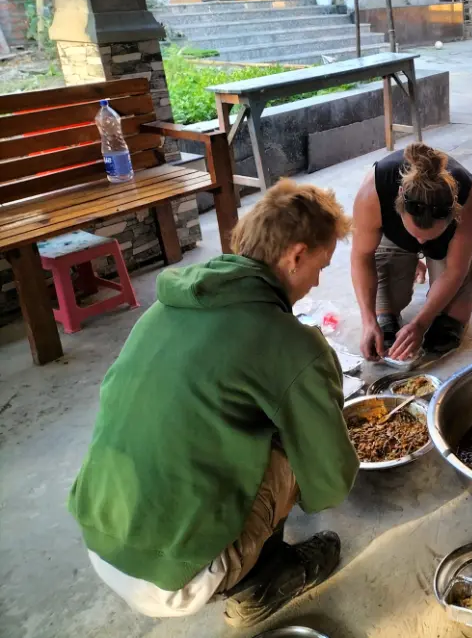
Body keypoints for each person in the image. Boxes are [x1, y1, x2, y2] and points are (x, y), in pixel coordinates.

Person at [68, 180, 359, 628]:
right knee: (296, 440)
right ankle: (260, 579)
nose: (318, 280)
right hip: (177, 577)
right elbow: (330, 483)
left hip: (102, 538)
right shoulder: (291, 344)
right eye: (320, 266)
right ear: (296, 256)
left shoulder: (164, 309)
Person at [351, 142, 472, 361]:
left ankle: (443, 264)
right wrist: (368, 320)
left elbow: (455, 271)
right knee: (384, 312)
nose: (421, 241)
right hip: (395, 240)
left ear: (454, 213)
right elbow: (361, 256)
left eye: (427, 237)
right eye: (416, 235)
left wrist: (421, 324)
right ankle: (388, 303)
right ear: (399, 197)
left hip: (446, 248)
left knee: (451, 318)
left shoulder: (467, 199)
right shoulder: (374, 192)